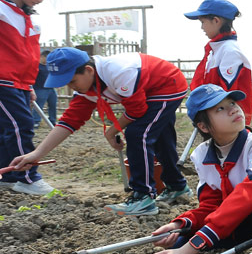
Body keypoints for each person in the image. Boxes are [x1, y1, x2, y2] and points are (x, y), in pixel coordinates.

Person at [10, 47, 191, 215]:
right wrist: (37, 154)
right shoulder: (86, 88)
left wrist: (111, 131)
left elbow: (137, 111)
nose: (72, 87)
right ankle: (177, 186)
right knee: (159, 136)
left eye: (72, 81)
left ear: (88, 70)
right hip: (150, 90)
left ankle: (143, 197)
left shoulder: (119, 72)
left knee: (138, 134)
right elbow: (69, 121)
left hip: (167, 85)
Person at [147, 84, 252, 254]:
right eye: (220, 109)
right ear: (203, 126)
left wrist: (191, 249)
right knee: (178, 243)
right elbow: (211, 204)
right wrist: (181, 224)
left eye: (232, 103)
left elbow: (247, 198)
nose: (234, 109)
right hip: (234, 221)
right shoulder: (202, 155)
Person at [0, 0, 55, 195]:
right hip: (3, 80)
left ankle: (9, 175)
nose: (40, 0)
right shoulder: (2, 11)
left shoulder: (27, 18)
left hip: (20, 82)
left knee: (7, 128)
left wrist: (29, 85)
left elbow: (28, 57)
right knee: (21, 125)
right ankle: (28, 177)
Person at [185, 0, 252, 124]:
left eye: (203, 22)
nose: (201, 27)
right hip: (216, 120)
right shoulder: (216, 50)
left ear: (216, 21)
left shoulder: (230, 51)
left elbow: (224, 95)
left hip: (229, 124)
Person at [32, 49, 58, 127]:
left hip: (51, 89)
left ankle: (52, 120)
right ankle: (36, 121)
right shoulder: (36, 66)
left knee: (53, 105)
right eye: (47, 58)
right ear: (42, 57)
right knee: (39, 106)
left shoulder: (50, 66)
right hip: (40, 89)